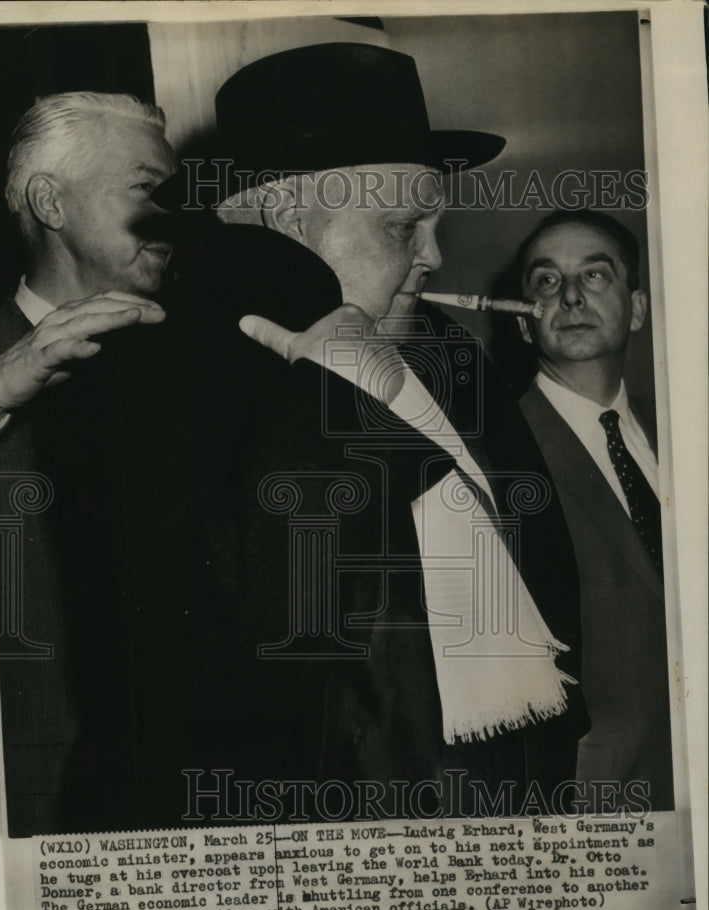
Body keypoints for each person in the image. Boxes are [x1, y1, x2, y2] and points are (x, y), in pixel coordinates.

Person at [113, 43, 590, 831]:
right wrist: (327, 396)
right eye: (405, 227)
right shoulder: (166, 375)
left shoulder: (446, 353)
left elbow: (540, 576)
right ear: (291, 231)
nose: (432, 257)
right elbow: (215, 675)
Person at [0, 92, 175, 835]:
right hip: (35, 805)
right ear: (49, 202)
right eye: (145, 187)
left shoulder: (197, 365)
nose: (172, 213)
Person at [515, 209, 673, 811]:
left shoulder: (685, 433)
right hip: (590, 805)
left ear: (636, 308)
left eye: (596, 276)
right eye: (547, 282)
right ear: (526, 326)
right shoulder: (496, 456)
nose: (573, 296)